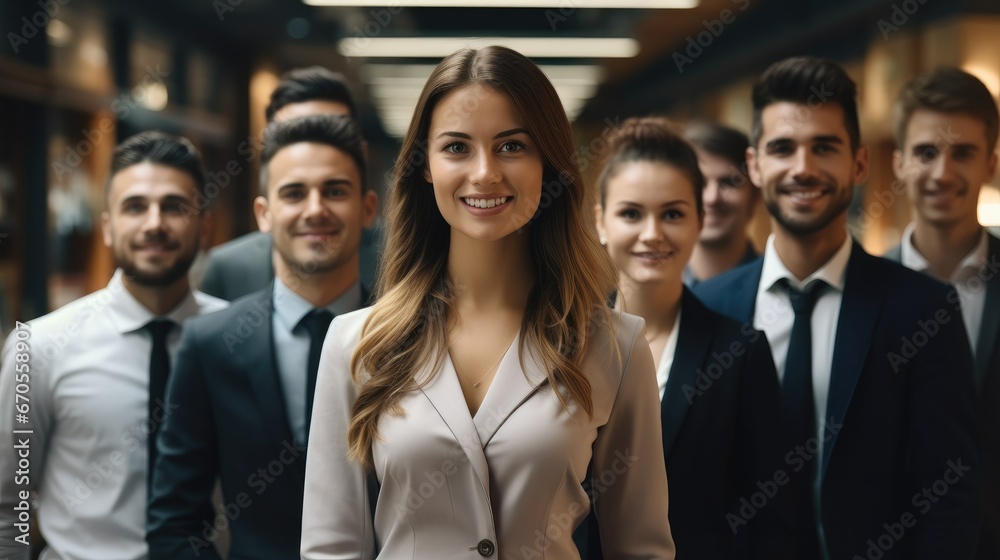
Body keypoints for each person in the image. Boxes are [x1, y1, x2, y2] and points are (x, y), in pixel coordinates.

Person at [301, 45, 674, 559]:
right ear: (425, 165)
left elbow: (641, 548)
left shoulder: (617, 345)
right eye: (456, 148)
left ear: (549, 162)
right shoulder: (355, 344)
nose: (484, 173)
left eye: (512, 147)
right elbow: (331, 548)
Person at [694, 56, 981, 560]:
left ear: (860, 163)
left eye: (823, 147)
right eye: (783, 148)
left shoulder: (923, 310)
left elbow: (949, 493)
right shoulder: (705, 306)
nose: (803, 168)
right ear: (756, 165)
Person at [146, 115, 377, 560]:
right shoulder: (210, 344)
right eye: (294, 193)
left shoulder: (410, 336)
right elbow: (174, 520)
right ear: (264, 214)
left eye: (335, 190)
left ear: (368, 208)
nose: (315, 209)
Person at [0, 132, 227, 560]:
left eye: (174, 206)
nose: (154, 223)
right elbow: (5, 506)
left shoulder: (241, 339)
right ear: (107, 226)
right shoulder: (37, 347)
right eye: (135, 206)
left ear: (206, 226)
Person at [591, 116, 789, 559]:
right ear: (601, 221)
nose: (652, 234)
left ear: (700, 219)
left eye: (673, 214)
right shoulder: (562, 344)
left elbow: (769, 519)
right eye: (631, 213)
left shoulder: (739, 352)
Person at [884, 67, 999, 560]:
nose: (943, 173)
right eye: (926, 153)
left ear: (991, 163)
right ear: (898, 163)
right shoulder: (862, 292)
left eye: (964, 153)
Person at [199, 66, 381, 299]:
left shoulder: (405, 260)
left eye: (335, 133)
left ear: (361, 152)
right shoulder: (227, 269)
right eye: (292, 135)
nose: (311, 147)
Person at [682, 121, 761, 287]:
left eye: (729, 182)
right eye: (698, 183)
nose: (712, 198)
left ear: (755, 194)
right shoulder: (650, 293)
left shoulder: (777, 289)